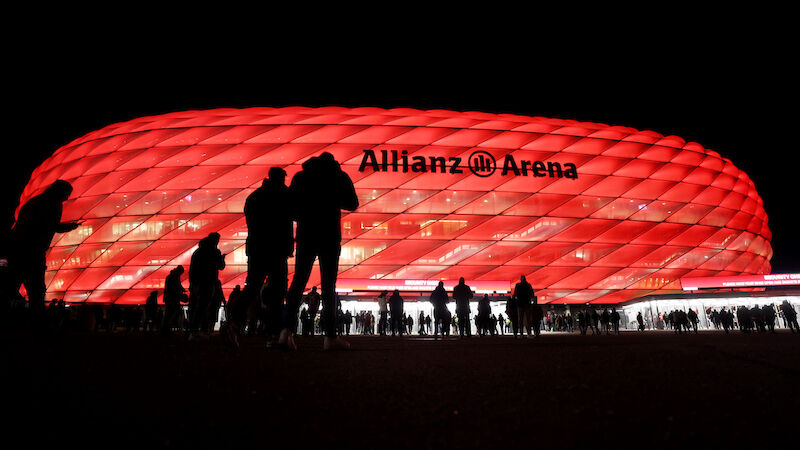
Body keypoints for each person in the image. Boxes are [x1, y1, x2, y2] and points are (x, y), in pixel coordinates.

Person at [278, 152, 358, 351]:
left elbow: (289, 207)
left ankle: (285, 331)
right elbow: (353, 203)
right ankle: (330, 337)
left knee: (298, 282)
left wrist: (305, 214)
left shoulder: (301, 176)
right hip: (330, 234)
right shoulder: (338, 176)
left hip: (306, 233)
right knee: (328, 286)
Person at [224, 167, 293, 349]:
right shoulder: (283, 195)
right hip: (276, 249)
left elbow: (251, 222)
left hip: (257, 249)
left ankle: (234, 324)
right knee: (277, 292)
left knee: (253, 288)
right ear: (280, 178)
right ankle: (273, 333)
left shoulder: (255, 197)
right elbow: (295, 214)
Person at [5, 180, 79, 316]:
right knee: (36, 288)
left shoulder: (35, 201)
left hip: (16, 247)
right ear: (60, 191)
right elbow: (50, 225)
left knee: (13, 282)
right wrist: (70, 226)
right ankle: (38, 323)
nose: (67, 197)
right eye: (67, 194)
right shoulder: (52, 203)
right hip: (33, 249)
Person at [187, 232, 226, 338]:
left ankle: (193, 329)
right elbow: (221, 266)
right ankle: (202, 330)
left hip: (197, 282)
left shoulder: (198, 252)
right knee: (205, 306)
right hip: (209, 282)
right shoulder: (215, 252)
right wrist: (222, 259)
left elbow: (192, 269)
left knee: (197, 306)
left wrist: (192, 283)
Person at [161, 266, 187, 335]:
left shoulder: (171, 276)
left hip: (169, 298)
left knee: (169, 313)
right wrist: (182, 290)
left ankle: (166, 329)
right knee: (170, 313)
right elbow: (176, 287)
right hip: (172, 298)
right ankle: (166, 329)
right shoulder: (174, 277)